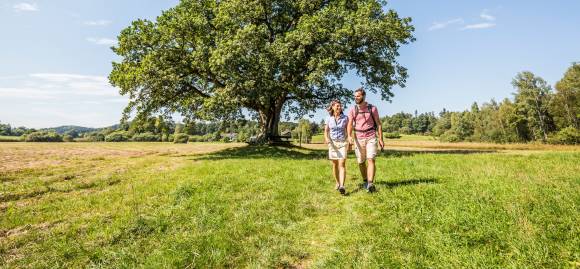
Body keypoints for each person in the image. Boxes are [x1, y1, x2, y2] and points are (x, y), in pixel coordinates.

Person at [347, 87, 384, 193]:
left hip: (371, 136)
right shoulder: (353, 110)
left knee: (371, 159)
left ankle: (371, 183)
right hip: (358, 138)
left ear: (363, 96)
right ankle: (365, 182)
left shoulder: (372, 108)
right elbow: (350, 124)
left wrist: (381, 138)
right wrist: (349, 136)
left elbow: (379, 124)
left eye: (358, 96)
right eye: (354, 96)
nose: (356, 98)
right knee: (361, 162)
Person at [324, 99, 348, 195]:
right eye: (337, 106)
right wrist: (327, 139)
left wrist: (349, 142)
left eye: (340, 106)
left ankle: (342, 185)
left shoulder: (346, 118)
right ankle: (337, 182)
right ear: (333, 107)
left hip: (342, 142)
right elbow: (326, 131)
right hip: (332, 143)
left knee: (342, 164)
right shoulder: (328, 118)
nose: (339, 107)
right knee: (335, 164)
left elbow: (349, 131)